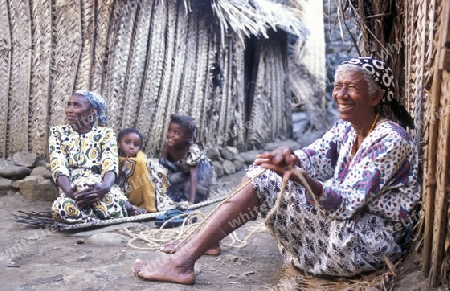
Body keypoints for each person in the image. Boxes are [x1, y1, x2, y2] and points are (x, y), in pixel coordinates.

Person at [132, 57, 421, 284]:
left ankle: (182, 264)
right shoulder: (346, 129)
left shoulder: (390, 139)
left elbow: (344, 203)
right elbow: (313, 156)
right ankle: (209, 240)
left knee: (266, 180)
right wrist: (286, 159)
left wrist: (303, 178)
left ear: (375, 96)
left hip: (364, 245)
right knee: (264, 169)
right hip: (345, 231)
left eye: (352, 88)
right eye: (338, 86)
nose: (340, 95)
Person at [49, 90, 139, 223]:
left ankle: (90, 215)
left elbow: (110, 165)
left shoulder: (105, 134)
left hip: (98, 185)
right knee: (63, 208)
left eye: (76, 105)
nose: (69, 110)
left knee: (108, 202)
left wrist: (104, 188)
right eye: (69, 105)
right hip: (72, 186)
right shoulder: (58, 133)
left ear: (92, 111)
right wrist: (71, 192)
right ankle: (114, 210)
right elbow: (58, 166)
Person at [116, 128, 176, 213]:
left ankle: (146, 205)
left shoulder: (140, 160)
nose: (131, 147)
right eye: (127, 142)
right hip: (123, 194)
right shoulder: (113, 159)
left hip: (144, 194)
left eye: (136, 144)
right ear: (119, 144)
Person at [159, 114, 215, 204]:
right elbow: (162, 170)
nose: (170, 135)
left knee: (194, 195)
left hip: (200, 174)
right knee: (169, 189)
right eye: (169, 130)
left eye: (176, 133)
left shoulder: (192, 151)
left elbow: (194, 176)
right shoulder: (167, 147)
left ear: (187, 137)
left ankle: (192, 195)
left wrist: (191, 202)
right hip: (183, 173)